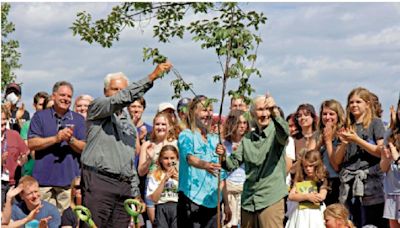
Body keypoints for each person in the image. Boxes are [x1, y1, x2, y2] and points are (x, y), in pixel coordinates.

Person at [80, 61, 172, 228]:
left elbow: (129, 161)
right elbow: (120, 99)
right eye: (115, 89)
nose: (120, 93)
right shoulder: (97, 108)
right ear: (105, 91)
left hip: (123, 187)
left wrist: (135, 193)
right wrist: (151, 77)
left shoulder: (129, 123)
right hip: (99, 181)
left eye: (123, 89)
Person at [217, 95, 289, 228]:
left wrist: (276, 112)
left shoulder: (276, 133)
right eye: (260, 109)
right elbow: (231, 164)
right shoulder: (247, 139)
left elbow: (285, 133)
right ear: (253, 114)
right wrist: (222, 156)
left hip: (270, 198)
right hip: (249, 200)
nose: (265, 114)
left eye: (268, 109)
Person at [28, 81, 87, 213]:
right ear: (53, 96)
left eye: (69, 96)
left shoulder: (78, 119)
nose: (66, 99)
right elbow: (31, 143)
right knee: (45, 221)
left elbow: (85, 147)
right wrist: (56, 139)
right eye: (62, 95)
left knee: (66, 222)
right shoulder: (40, 116)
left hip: (68, 183)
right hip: (43, 182)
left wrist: (70, 139)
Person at [335, 87, 387, 228]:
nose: (354, 105)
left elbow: (381, 151)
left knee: (371, 223)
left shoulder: (375, 123)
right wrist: (345, 143)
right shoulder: (347, 125)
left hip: (370, 181)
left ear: (367, 104)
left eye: (358, 101)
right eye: (351, 102)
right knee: (351, 222)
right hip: (349, 182)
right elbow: (337, 160)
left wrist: (357, 140)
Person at [177, 95, 231, 227]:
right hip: (192, 199)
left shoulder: (214, 140)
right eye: (204, 110)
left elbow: (221, 175)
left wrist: (227, 204)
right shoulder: (186, 135)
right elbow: (190, 158)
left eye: (210, 110)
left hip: (213, 202)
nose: (208, 114)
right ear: (193, 112)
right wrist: (205, 165)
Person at [138, 112, 178, 224]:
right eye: (157, 124)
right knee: (157, 224)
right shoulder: (147, 145)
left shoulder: (175, 144)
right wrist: (150, 159)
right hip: (153, 185)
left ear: (169, 126)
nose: (160, 127)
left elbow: (177, 166)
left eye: (163, 124)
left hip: (171, 188)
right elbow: (141, 172)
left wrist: (172, 169)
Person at [285, 149, 328, 228]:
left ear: (317, 165)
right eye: (305, 166)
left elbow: (322, 195)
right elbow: (291, 196)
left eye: (311, 166)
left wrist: (316, 196)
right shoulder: (300, 180)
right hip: (300, 213)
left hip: (315, 213)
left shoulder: (321, 180)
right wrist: (307, 196)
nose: (308, 169)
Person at [222, 110, 249, 228]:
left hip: (245, 189)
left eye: (245, 122)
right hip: (228, 190)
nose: (242, 126)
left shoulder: (250, 143)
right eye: (239, 122)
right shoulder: (224, 145)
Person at [317, 99, 346, 206]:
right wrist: (320, 143)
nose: (327, 117)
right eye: (324, 114)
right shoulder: (318, 134)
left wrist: (328, 141)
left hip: (336, 181)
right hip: (320, 181)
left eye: (331, 114)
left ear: (338, 115)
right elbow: (310, 158)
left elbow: (336, 166)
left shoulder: (341, 134)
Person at [1, 105, 29, 208]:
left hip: (12, 183)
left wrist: (23, 159)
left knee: (13, 214)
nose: (1, 122)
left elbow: (25, 153)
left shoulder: (14, 135)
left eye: (3, 119)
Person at [146, 145, 179, 228]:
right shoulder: (155, 175)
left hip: (177, 208)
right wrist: (164, 180)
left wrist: (179, 179)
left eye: (172, 158)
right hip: (161, 208)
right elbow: (154, 199)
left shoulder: (181, 175)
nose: (169, 162)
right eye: (166, 158)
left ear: (177, 159)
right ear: (160, 159)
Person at [20, 91, 50, 177]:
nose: (43, 107)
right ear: (34, 106)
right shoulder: (27, 125)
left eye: (45, 105)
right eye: (41, 105)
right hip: (30, 173)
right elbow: (28, 149)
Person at [380, 98, 400, 228]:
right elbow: (383, 167)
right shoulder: (390, 134)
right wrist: (387, 158)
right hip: (392, 191)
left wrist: (397, 158)